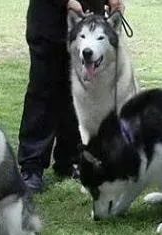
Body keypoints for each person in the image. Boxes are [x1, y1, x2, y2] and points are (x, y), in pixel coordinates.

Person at [18, 0, 125, 192]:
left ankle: (71, 160)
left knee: (79, 92)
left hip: (89, 20)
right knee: (43, 91)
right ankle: (32, 166)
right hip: (49, 22)